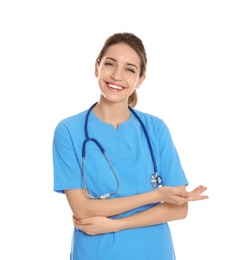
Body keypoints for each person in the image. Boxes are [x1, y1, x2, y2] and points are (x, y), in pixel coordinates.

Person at [52, 32, 208, 260]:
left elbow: (179, 208)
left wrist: (115, 225)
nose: (117, 75)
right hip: (97, 252)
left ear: (140, 80)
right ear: (97, 67)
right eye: (110, 64)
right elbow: (82, 210)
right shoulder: (69, 131)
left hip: (153, 251)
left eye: (130, 69)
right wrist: (157, 195)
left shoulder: (155, 128)